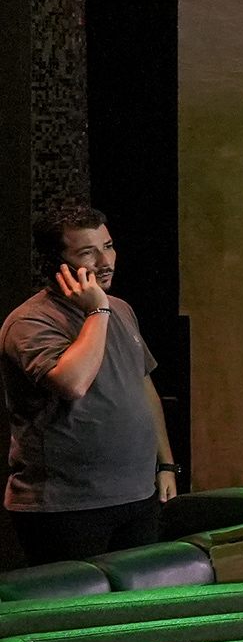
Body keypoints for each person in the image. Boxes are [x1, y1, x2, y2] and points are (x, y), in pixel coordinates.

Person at [2, 204, 179, 566]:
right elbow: (73, 383)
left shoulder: (121, 309)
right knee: (79, 602)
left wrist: (166, 465)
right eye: (87, 252)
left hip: (138, 497)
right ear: (57, 263)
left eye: (108, 246)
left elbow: (143, 387)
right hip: (67, 507)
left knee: (139, 600)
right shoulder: (30, 321)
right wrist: (96, 311)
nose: (105, 261)